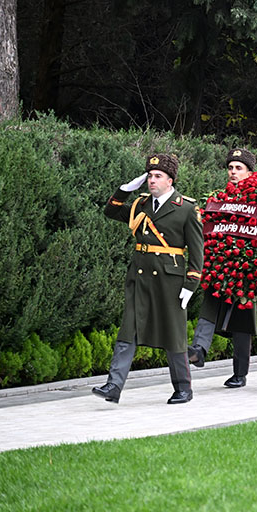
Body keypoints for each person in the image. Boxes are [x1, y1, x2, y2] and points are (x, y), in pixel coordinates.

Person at [93, 153, 203, 404]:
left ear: (170, 180)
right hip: (140, 276)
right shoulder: (140, 205)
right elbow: (110, 211)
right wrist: (123, 191)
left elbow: (197, 252)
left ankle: (183, 388)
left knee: (173, 334)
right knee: (128, 330)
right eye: (150, 176)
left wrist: (190, 284)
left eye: (158, 176)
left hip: (170, 280)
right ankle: (114, 385)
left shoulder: (186, 208)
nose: (152, 181)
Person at [187, 148, 257, 388]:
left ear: (250, 172)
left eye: (239, 168)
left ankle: (240, 373)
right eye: (230, 168)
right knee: (210, 304)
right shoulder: (218, 198)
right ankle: (199, 349)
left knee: (242, 321)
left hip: (247, 267)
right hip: (220, 263)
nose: (233, 172)